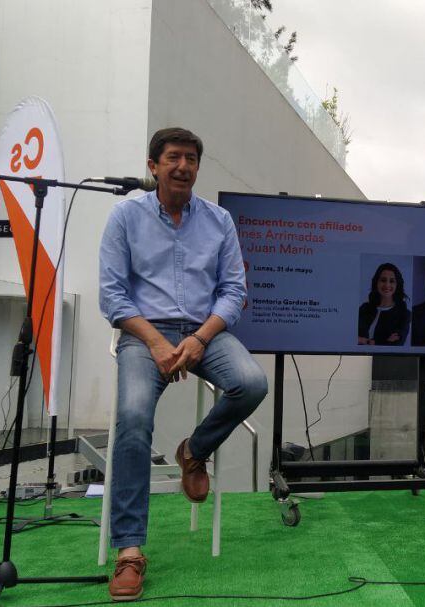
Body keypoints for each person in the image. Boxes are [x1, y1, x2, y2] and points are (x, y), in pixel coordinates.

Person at [98, 127, 268, 601]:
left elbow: (234, 292)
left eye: (191, 158)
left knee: (252, 383)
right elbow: (112, 295)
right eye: (173, 157)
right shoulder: (124, 216)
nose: (183, 166)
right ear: (153, 165)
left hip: (205, 332)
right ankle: (129, 552)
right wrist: (155, 342)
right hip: (142, 333)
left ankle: (194, 450)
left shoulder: (219, 221)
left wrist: (197, 339)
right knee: (132, 419)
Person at [357, 262, 410, 346]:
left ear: (397, 285)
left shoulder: (404, 314)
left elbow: (396, 344)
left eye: (392, 281)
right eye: (383, 280)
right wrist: (384, 341)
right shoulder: (364, 308)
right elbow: (349, 336)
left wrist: (366, 341)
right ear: (376, 282)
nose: (387, 285)